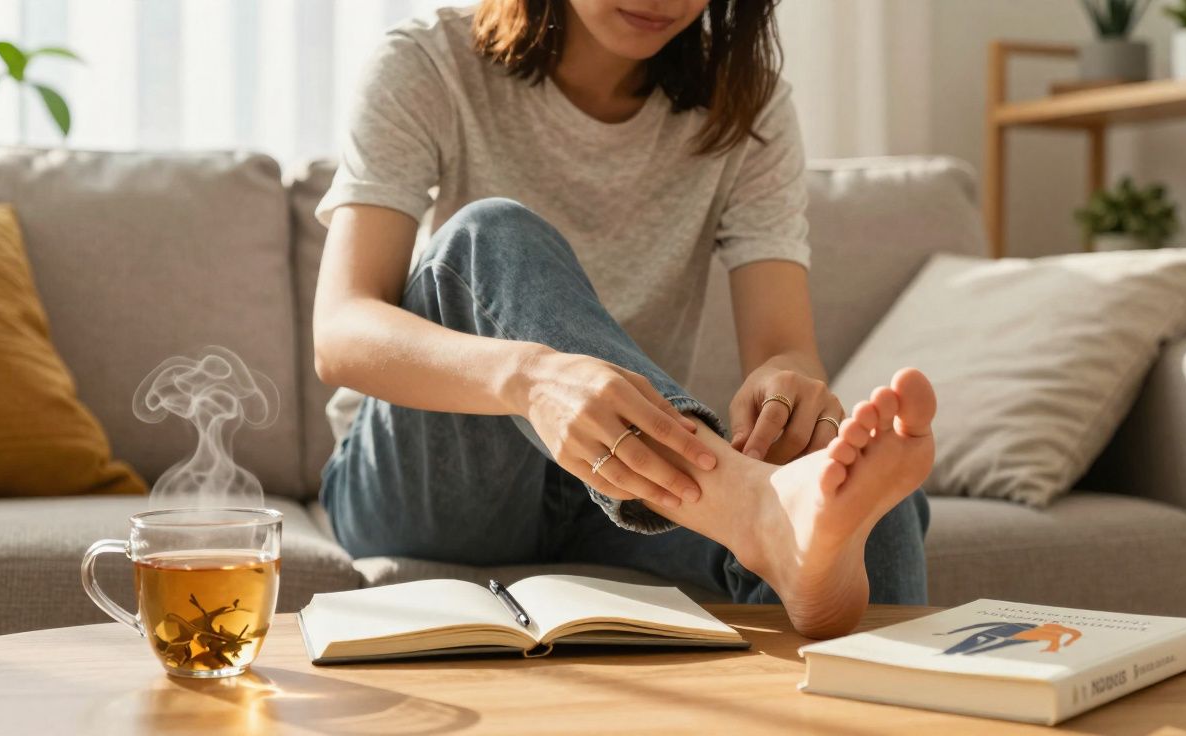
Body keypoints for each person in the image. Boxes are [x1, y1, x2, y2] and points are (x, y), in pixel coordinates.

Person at [312, 0, 937, 638]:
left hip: (625, 481)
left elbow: (784, 347)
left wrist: (788, 390)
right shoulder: (427, 62)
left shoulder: (745, 103)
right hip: (432, 480)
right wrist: (529, 379)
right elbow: (341, 331)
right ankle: (751, 508)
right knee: (489, 233)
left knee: (859, 501)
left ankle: (885, 686)